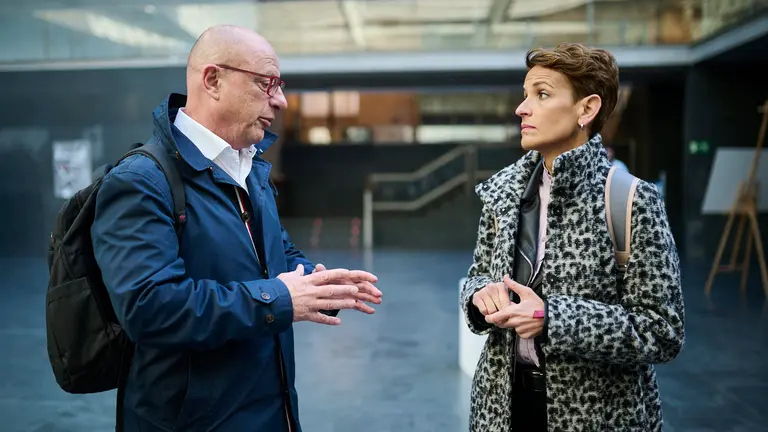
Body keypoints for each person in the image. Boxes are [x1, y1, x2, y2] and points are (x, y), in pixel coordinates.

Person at [91, 25, 382, 432]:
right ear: (213, 80)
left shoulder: (250, 169)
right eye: (267, 84)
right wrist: (279, 299)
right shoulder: (141, 180)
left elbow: (275, 255)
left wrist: (321, 286)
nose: (280, 101)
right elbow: (149, 307)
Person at [459, 43, 684, 431]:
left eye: (542, 94)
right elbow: (478, 276)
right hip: (501, 409)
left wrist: (552, 317)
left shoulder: (632, 200)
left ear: (587, 109)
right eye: (525, 95)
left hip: (596, 416)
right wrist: (480, 296)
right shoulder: (502, 193)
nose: (522, 108)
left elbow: (661, 330)